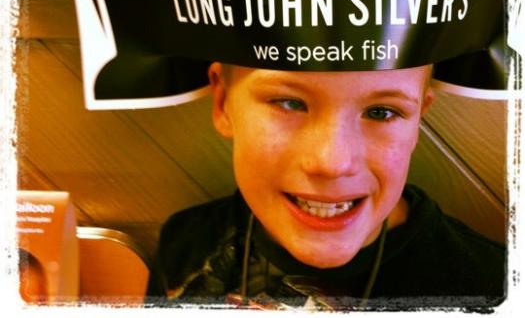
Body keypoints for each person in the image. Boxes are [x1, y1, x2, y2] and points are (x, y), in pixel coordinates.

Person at [146, 63, 505, 310]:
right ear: (224, 101)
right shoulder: (184, 245)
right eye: (289, 102)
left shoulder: (492, 290)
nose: (332, 162)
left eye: (381, 112)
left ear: (418, 120)